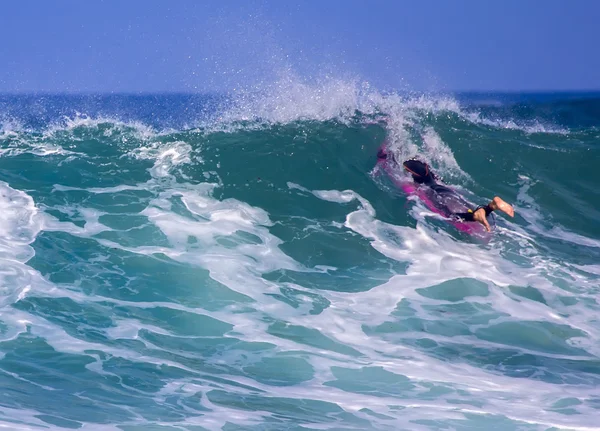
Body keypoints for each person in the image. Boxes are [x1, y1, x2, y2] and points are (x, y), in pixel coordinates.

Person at [401, 158, 514, 232]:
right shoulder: (433, 177)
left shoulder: (419, 185)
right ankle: (490, 207)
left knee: (450, 214)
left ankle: (475, 216)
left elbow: (411, 193)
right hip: (447, 191)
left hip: (435, 193)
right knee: (465, 206)